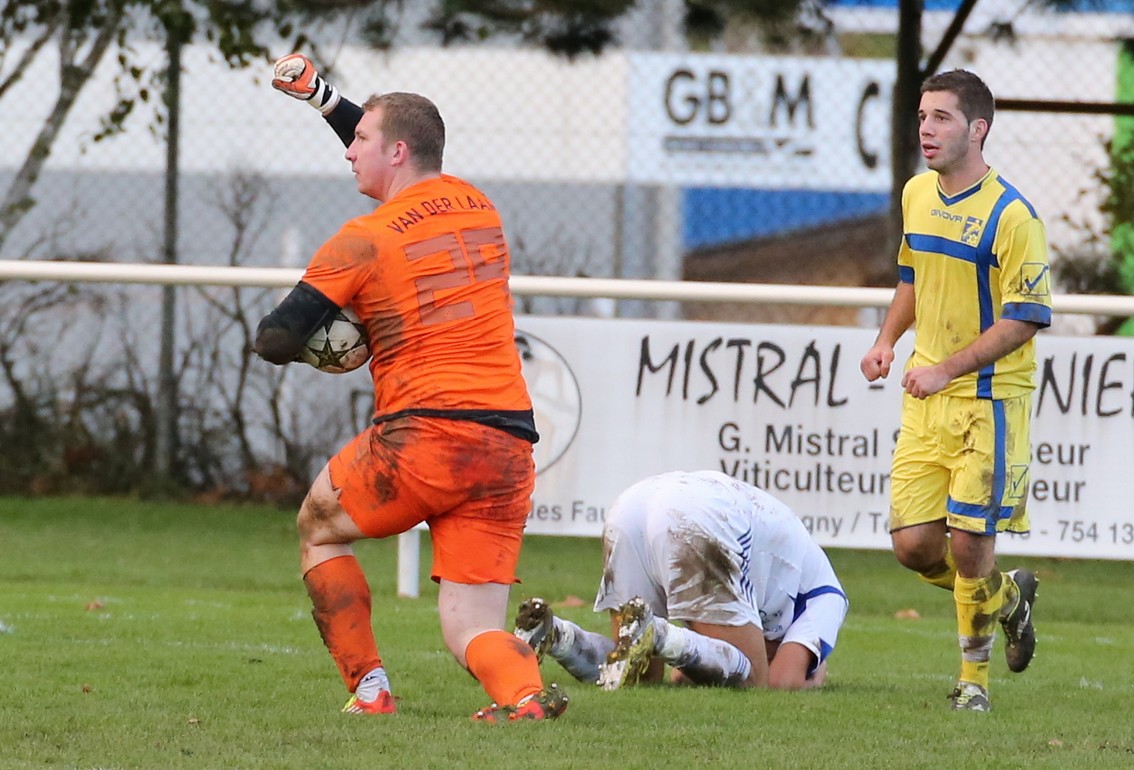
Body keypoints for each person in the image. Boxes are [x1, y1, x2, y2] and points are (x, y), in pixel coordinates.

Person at [254, 54, 566, 723]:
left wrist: (335, 344)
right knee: (467, 625)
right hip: (508, 445)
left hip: (426, 437)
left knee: (318, 526)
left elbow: (275, 340)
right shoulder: (479, 206)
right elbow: (395, 163)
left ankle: (370, 691)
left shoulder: (360, 241)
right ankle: (527, 697)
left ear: (394, 150)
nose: (349, 155)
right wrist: (323, 100)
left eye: (360, 142)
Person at [859, 69, 1050, 712]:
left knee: (969, 544)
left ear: (978, 128)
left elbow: (1023, 319)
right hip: (927, 395)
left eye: (940, 118)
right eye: (921, 116)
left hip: (990, 401)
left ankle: (974, 684)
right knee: (914, 546)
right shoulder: (918, 193)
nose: (926, 129)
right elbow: (913, 276)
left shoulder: (1013, 215)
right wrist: (887, 340)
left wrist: (948, 369)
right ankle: (1010, 599)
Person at [515, 470, 849, 692]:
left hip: (635, 503)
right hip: (703, 514)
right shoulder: (829, 597)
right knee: (752, 679)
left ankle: (556, 635)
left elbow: (682, 676)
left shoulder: (790, 569)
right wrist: (815, 677)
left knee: (636, 674)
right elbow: (780, 681)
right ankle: (657, 632)